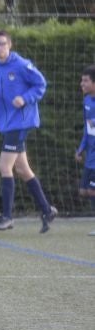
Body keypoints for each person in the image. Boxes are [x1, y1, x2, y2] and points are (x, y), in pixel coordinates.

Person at [0, 30, 57, 232]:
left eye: (2, 43)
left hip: (21, 122)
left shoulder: (22, 65)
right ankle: (47, 210)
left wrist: (25, 98)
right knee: (23, 170)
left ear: (10, 45)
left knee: (4, 166)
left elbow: (41, 84)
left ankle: (7, 217)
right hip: (6, 123)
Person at [74, 65, 95, 236]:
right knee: (84, 191)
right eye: (82, 80)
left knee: (92, 190)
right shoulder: (87, 101)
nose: (82, 84)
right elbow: (88, 130)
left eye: (86, 81)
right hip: (91, 156)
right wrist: (80, 149)